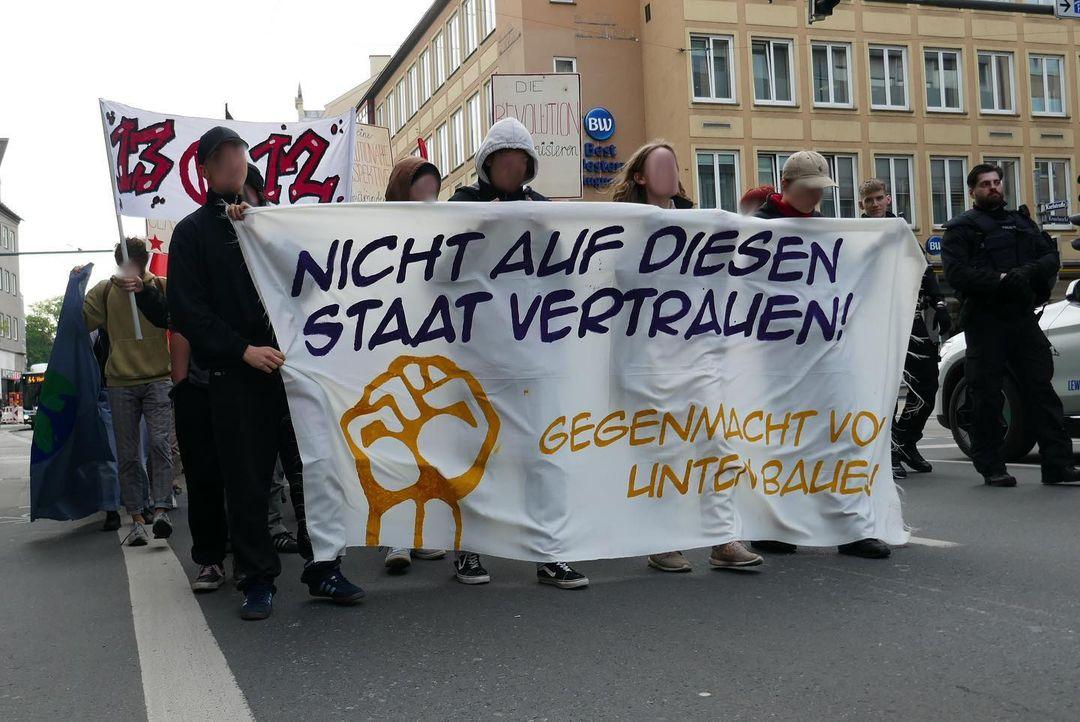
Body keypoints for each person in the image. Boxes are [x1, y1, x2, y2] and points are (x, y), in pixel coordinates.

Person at [169, 127, 365, 620]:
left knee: (313, 471)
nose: (233, 163)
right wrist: (241, 351)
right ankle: (257, 578)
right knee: (247, 481)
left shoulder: (273, 223)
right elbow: (189, 311)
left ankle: (324, 566)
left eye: (239, 154)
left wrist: (256, 223)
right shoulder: (191, 233)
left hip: (295, 370)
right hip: (235, 377)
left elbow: (317, 280)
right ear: (206, 170)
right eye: (222, 157)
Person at [610, 140, 764, 573]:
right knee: (662, 450)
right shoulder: (624, 227)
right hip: (648, 359)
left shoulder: (702, 227)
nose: (669, 172)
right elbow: (620, 282)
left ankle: (723, 537)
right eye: (659, 165)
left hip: (699, 355)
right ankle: (664, 538)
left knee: (716, 442)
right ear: (639, 177)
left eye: (673, 165)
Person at [448, 117, 588, 589]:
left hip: (533, 356)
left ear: (530, 166)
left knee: (543, 455)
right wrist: (479, 226)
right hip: (478, 355)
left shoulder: (541, 210)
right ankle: (471, 549)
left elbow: (563, 276)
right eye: (504, 160)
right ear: (487, 163)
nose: (512, 167)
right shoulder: (461, 206)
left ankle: (550, 550)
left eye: (520, 160)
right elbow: (438, 273)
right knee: (476, 454)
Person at [752, 151, 892, 560]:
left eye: (821, 190)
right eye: (808, 190)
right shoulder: (756, 227)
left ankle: (849, 526)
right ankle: (776, 524)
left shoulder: (830, 232)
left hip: (827, 351)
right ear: (787, 185)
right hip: (775, 356)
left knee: (839, 434)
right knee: (781, 440)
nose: (815, 198)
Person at [941, 163, 1080, 488]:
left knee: (1042, 389)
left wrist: (1027, 272)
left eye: (996, 182)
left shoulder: (1021, 223)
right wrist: (1000, 280)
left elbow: (1049, 257)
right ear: (973, 191)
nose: (993, 188)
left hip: (1022, 317)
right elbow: (957, 274)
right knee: (987, 394)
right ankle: (991, 465)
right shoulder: (962, 229)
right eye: (985, 184)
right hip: (986, 320)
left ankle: (1057, 464)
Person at [75, 239, 173, 546]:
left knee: (160, 445)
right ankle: (136, 517)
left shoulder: (161, 285)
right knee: (128, 455)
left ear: (145, 261)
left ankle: (161, 509)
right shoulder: (105, 291)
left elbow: (177, 315)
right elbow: (80, 321)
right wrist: (75, 284)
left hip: (158, 377)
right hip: (120, 382)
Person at [378, 155, 448, 571]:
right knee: (395, 445)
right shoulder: (380, 234)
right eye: (419, 194)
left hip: (434, 356)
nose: (428, 203)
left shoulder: (447, 234)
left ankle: (424, 531)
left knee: (431, 443)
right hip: (389, 353)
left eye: (433, 195)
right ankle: (396, 537)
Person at [858, 179, 951, 478]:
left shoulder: (902, 233)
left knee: (927, 383)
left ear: (888, 199)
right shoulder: (856, 237)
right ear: (862, 205)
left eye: (879, 198)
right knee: (882, 390)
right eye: (868, 200)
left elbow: (924, 270)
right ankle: (888, 451)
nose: (874, 204)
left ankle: (906, 441)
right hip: (874, 322)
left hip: (909, 319)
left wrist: (939, 304)